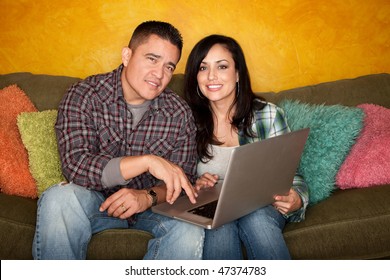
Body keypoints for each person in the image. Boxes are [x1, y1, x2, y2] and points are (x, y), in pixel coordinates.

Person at [32, 21, 205, 260]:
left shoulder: (179, 113)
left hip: (151, 211)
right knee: (58, 198)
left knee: (190, 227)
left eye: (169, 67)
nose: (159, 74)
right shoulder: (84, 95)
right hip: (95, 204)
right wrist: (147, 161)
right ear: (127, 55)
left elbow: (183, 181)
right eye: (152, 59)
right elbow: (76, 165)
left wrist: (147, 197)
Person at [183, 34, 309, 260]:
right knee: (220, 226)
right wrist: (195, 185)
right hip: (214, 207)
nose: (212, 76)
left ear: (238, 73)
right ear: (195, 76)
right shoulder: (185, 120)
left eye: (222, 66)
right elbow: (177, 178)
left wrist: (297, 198)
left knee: (256, 217)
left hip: (262, 207)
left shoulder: (267, 114)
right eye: (203, 68)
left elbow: (291, 174)